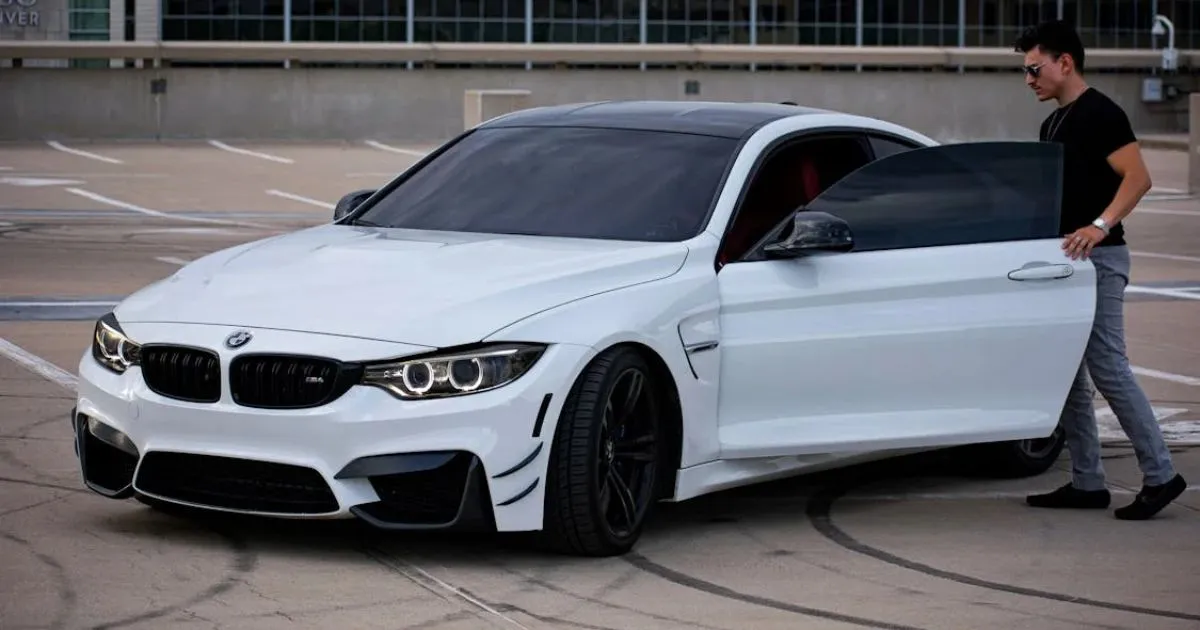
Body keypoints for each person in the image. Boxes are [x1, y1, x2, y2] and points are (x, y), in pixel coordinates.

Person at [1014, 19, 1187, 520]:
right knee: (1067, 371)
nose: (1028, 80)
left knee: (1108, 367)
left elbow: (1139, 179)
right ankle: (1087, 481)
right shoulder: (1052, 122)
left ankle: (1161, 475)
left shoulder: (1101, 114)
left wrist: (1100, 225)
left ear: (1064, 62)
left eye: (1034, 68)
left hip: (1101, 260)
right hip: (1066, 261)